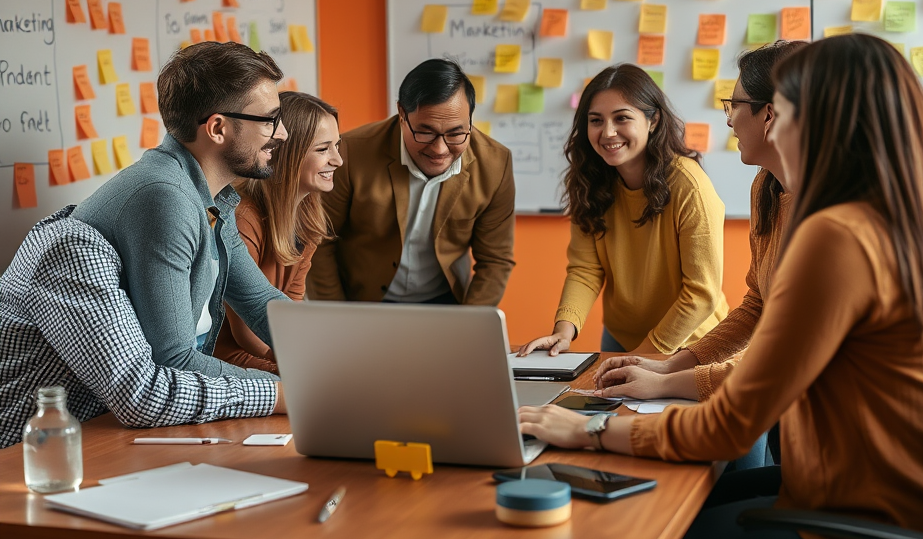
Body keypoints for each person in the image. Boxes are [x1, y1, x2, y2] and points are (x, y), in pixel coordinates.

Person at [519, 34, 923, 539]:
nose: (762, 122)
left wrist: (588, 432)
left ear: (819, 120)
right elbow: (762, 317)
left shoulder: (839, 236)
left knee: (642, 531)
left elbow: (730, 424)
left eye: (782, 111)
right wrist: (669, 370)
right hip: (917, 504)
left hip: (874, 523)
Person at [592, 41, 806, 404]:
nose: (728, 118)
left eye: (734, 105)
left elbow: (787, 361)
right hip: (789, 413)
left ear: (769, 115)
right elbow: (757, 305)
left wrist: (663, 381)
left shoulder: (830, 217)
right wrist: (668, 366)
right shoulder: (766, 187)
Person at [71, 41, 291, 380]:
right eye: (269, 120)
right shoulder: (165, 198)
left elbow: (260, 303)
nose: (283, 133)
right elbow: (172, 360)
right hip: (69, 414)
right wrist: (289, 389)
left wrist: (341, 360)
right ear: (218, 128)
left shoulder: (209, 196)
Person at [0, 208, 283, 449]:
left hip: (95, 437)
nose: (280, 138)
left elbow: (261, 301)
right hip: (28, 457)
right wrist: (281, 393)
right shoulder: (71, 251)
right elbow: (142, 391)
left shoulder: (208, 208)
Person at [519, 63, 729, 357]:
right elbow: (585, 269)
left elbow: (702, 293)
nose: (607, 132)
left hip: (688, 343)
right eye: (595, 120)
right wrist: (563, 331)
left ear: (653, 120)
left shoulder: (690, 186)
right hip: (620, 338)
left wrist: (640, 357)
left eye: (622, 118)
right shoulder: (588, 181)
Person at [307, 58, 515, 306]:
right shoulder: (350, 153)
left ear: (470, 119)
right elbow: (319, 242)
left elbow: (495, 259)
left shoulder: (495, 164)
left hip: (447, 304)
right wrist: (336, 317)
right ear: (402, 115)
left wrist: (469, 326)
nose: (439, 149)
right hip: (361, 302)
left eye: (456, 133)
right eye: (425, 132)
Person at [214, 92, 342, 373]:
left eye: (337, 146)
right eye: (323, 150)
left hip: (271, 349)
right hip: (228, 357)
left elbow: (292, 309)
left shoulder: (308, 217)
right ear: (286, 154)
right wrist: (299, 362)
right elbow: (246, 333)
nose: (338, 160)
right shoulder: (242, 220)